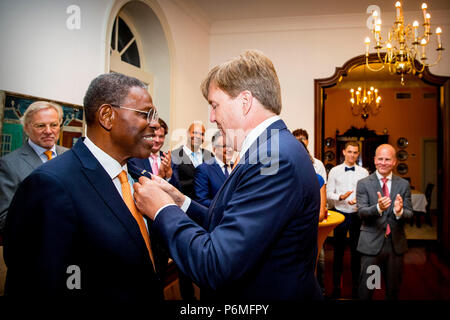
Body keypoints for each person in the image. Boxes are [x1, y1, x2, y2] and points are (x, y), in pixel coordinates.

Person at [133, 50, 322, 301]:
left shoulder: (273, 159)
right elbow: (227, 221)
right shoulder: (270, 148)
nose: (212, 117)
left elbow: (215, 265)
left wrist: (162, 210)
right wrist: (181, 202)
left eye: (214, 105)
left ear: (245, 101)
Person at [3, 73, 163, 301]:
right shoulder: (51, 184)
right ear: (107, 116)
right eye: (146, 114)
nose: (155, 124)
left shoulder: (138, 178)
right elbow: (37, 283)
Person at [0, 101, 68, 235]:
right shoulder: (8, 164)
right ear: (26, 128)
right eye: (40, 126)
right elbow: (4, 220)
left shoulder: (71, 155)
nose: (48, 131)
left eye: (54, 125)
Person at [356, 143, 413, 300]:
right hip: (372, 246)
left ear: (394, 162)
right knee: (368, 289)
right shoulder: (364, 184)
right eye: (380, 158)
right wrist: (378, 208)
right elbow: (361, 212)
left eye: (387, 159)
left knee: (392, 291)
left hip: (395, 246)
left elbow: (410, 214)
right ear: (374, 160)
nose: (383, 162)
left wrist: (399, 211)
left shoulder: (403, 185)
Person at [171, 121, 214, 300]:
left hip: (205, 213)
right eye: (195, 133)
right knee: (185, 258)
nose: (198, 137)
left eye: (202, 134)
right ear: (188, 135)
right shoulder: (175, 155)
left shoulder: (209, 155)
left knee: (208, 255)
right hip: (185, 213)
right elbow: (174, 184)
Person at [326, 141, 369, 299]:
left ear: (358, 154)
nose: (352, 155)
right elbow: (329, 193)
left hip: (357, 214)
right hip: (340, 213)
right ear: (343, 152)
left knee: (356, 252)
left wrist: (359, 201)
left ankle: (357, 287)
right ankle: (336, 286)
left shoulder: (364, 172)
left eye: (355, 152)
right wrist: (340, 197)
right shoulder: (335, 171)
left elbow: (366, 193)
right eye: (350, 152)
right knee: (338, 252)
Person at [128, 118, 179, 188]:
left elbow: (178, 190)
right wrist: (160, 176)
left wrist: (169, 176)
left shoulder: (170, 160)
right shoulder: (134, 158)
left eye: (161, 136)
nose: (157, 140)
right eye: (154, 136)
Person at [194, 130, 234, 207]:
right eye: (225, 146)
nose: (230, 149)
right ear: (214, 149)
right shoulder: (203, 169)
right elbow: (202, 201)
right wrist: (227, 206)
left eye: (231, 146)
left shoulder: (236, 167)